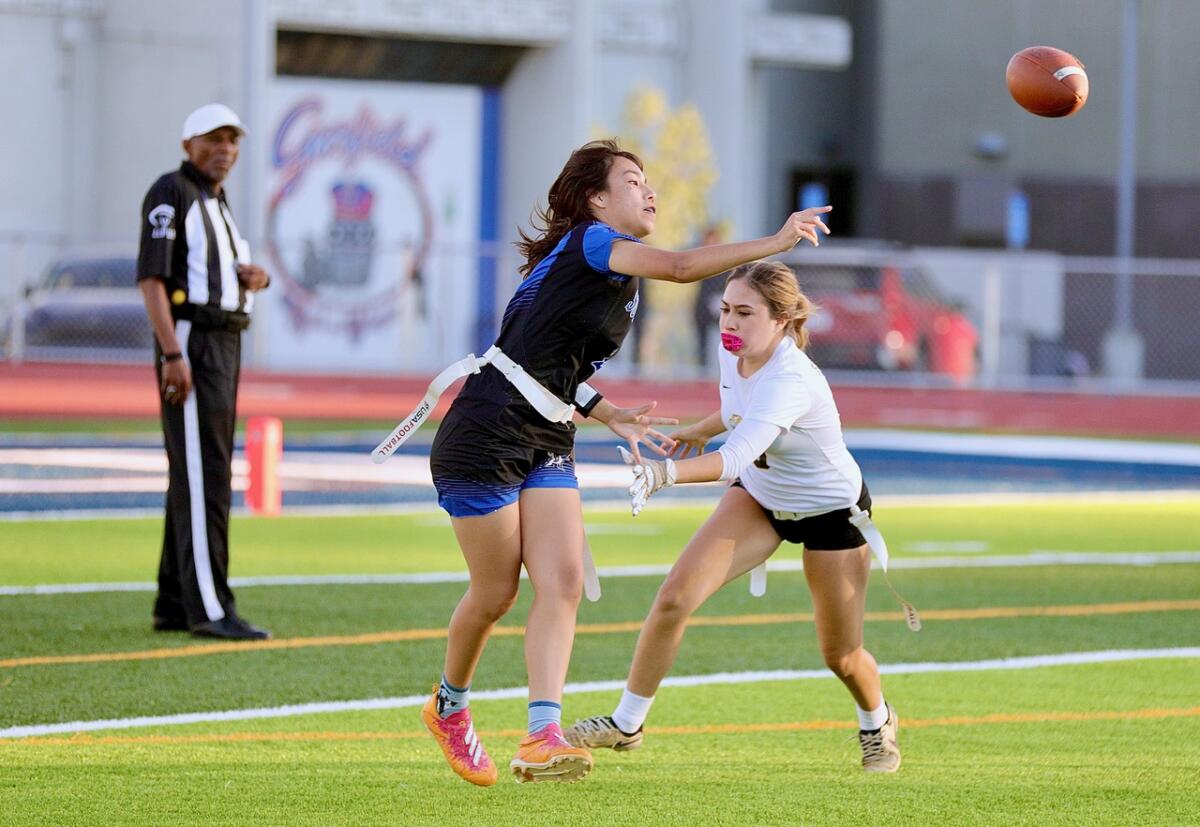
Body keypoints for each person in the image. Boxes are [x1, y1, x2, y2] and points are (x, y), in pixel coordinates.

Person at [420, 139, 831, 786]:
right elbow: (682, 264)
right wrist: (775, 242)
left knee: (561, 583)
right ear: (595, 200)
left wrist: (606, 411)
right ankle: (449, 707)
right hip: (486, 431)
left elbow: (549, 357)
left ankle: (540, 735)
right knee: (496, 592)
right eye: (633, 180)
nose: (650, 191)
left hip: (547, 432)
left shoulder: (612, 273)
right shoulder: (592, 240)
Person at [564, 260, 902, 773]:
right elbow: (739, 409)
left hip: (831, 512)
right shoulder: (737, 353)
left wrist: (665, 476)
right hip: (762, 499)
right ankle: (627, 723)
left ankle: (877, 723)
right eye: (725, 310)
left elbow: (738, 455)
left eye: (745, 313)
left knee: (841, 655)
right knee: (675, 596)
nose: (729, 323)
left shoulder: (791, 378)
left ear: (782, 319)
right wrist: (701, 428)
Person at [136, 103, 272, 641]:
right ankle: (210, 609)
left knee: (196, 470)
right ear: (188, 143)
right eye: (214, 140)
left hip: (223, 340)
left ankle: (173, 600)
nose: (225, 150)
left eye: (233, 141)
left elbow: (212, 270)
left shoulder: (217, 200)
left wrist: (253, 279)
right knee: (205, 474)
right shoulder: (171, 191)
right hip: (193, 341)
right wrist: (172, 353)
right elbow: (152, 279)